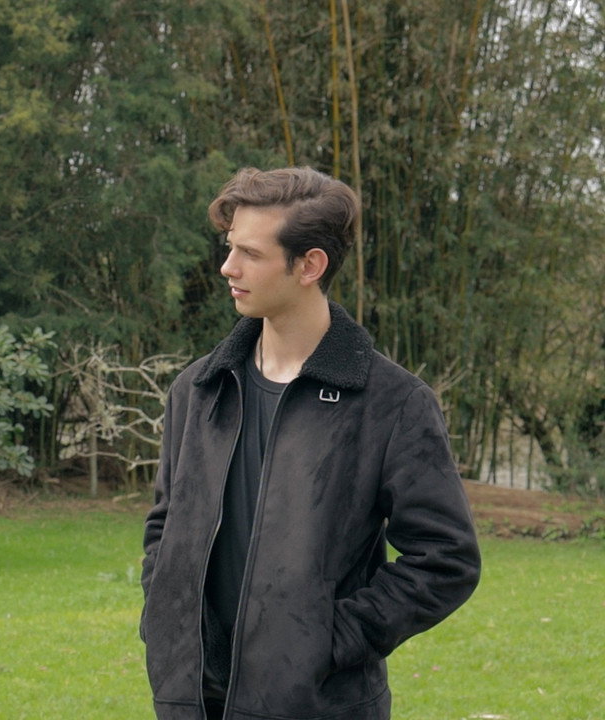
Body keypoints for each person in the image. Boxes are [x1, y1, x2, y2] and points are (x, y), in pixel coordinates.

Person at [140, 167, 481, 720]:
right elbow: (165, 524)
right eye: (230, 247)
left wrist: (328, 641)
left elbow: (446, 560)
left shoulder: (392, 403)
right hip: (192, 700)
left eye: (251, 253)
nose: (228, 267)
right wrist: (164, 618)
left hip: (318, 704)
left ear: (310, 265)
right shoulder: (198, 389)